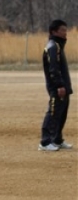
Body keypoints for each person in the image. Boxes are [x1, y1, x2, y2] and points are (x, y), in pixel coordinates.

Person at [38, 19, 73, 151]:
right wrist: (59, 85)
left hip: (63, 86)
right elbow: (54, 69)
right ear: (54, 32)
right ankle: (45, 142)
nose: (65, 33)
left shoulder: (58, 46)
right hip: (57, 87)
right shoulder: (53, 47)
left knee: (61, 113)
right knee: (53, 112)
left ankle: (57, 139)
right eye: (62, 30)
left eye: (65, 30)